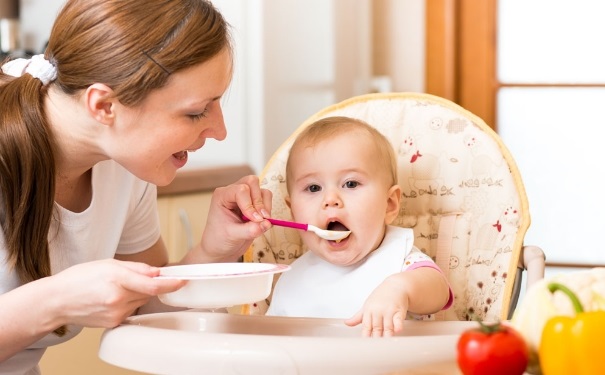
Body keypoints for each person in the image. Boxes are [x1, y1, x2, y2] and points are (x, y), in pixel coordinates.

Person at [0, 1, 273, 373]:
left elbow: (147, 305)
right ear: (104, 105)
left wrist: (214, 251)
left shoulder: (124, 166)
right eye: (196, 111)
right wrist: (55, 300)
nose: (219, 131)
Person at [266, 116, 453, 337]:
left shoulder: (401, 261)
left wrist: (400, 288)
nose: (330, 199)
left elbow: (439, 291)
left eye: (351, 184)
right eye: (314, 187)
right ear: (293, 212)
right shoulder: (291, 279)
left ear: (389, 204)